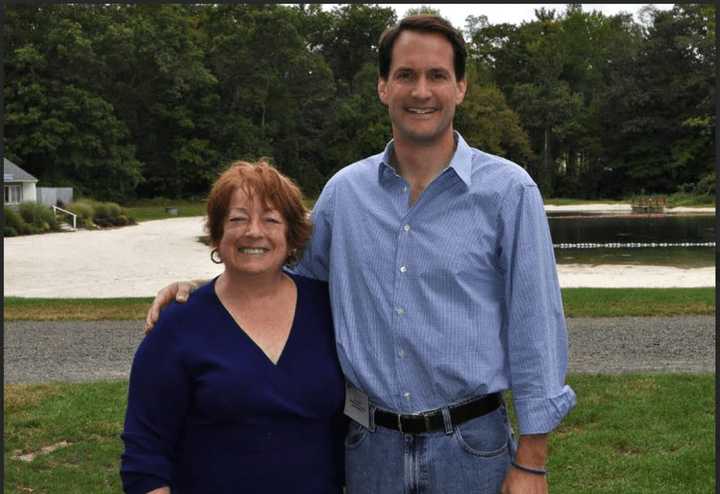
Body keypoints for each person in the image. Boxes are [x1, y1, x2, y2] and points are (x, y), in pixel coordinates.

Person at [146, 15, 576, 494]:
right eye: (405, 75)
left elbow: (536, 327)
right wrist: (205, 293)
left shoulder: (509, 192)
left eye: (437, 76)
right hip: (371, 450)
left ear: (460, 88)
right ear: (382, 88)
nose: (421, 91)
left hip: (472, 449)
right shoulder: (345, 194)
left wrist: (532, 462)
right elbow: (285, 279)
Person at [121, 161, 346, 494]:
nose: (253, 231)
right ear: (217, 234)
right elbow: (145, 455)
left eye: (270, 219)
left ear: (291, 235)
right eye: (238, 219)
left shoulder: (329, 310)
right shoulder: (178, 325)